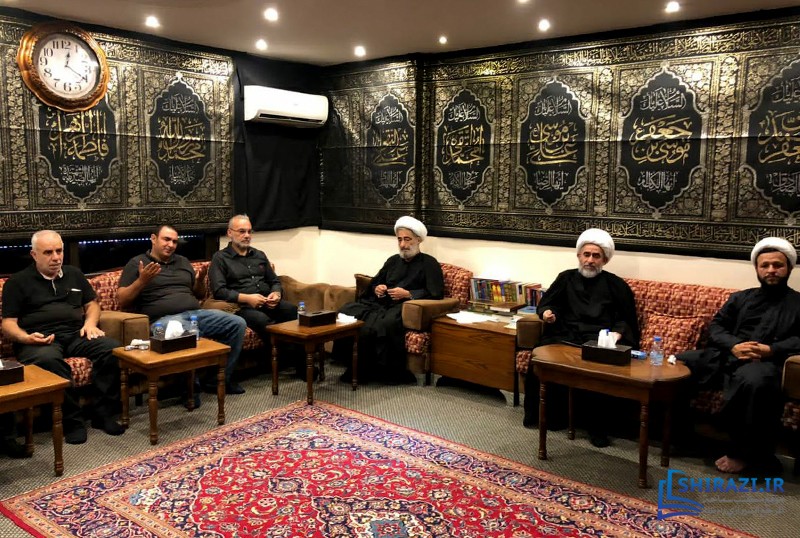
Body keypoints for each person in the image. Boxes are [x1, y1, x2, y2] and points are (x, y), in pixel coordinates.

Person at [677, 237, 800, 475]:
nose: (771, 270)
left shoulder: (798, 303)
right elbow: (717, 327)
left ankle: (743, 453)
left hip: (766, 364)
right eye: (765, 265)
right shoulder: (741, 298)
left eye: (777, 265)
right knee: (680, 363)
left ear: (789, 268)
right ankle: (680, 435)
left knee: (755, 382)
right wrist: (734, 345)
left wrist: (771, 350)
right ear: (757, 268)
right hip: (727, 356)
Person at [1, 230, 124, 444]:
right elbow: (8, 324)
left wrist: (90, 324)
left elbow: (92, 305)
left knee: (111, 349)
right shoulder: (17, 282)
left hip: (76, 334)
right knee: (48, 360)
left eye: (59, 251)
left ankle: (103, 414)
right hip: (40, 340)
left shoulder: (73, 274)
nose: (56, 257)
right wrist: (26, 338)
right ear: (34, 255)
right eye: (48, 252)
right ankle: (72, 422)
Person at [523, 228, 640, 448]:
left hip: (598, 339)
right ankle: (551, 417)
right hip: (565, 335)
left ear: (604, 260)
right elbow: (548, 304)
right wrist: (546, 313)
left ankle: (597, 428)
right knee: (540, 356)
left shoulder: (616, 285)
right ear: (579, 255)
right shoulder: (565, 278)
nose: (590, 260)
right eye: (586, 255)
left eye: (596, 256)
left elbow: (626, 319)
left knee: (600, 367)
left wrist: (616, 334)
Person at [117, 225, 248, 395]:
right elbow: (123, 300)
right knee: (184, 332)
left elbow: (199, 294)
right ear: (153, 239)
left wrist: (200, 281)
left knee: (237, 323)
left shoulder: (183, 262)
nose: (171, 245)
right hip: (162, 321)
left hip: (196, 314)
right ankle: (190, 389)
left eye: (174, 241)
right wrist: (142, 281)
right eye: (166, 239)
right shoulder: (137, 263)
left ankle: (217, 380)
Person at [335, 216, 444, 384]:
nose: (403, 244)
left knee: (382, 325)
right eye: (400, 239)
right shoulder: (393, 260)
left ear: (418, 240)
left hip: (402, 307)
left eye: (407, 239)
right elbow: (375, 282)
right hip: (380, 303)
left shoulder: (429, 263)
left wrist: (408, 294)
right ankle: (349, 361)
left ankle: (377, 370)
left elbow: (436, 293)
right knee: (346, 310)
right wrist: (378, 289)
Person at [209, 215, 302, 374]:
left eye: (249, 231)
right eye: (242, 231)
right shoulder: (220, 258)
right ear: (230, 233)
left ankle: (301, 364)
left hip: (268, 301)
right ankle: (280, 361)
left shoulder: (259, 255)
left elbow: (274, 281)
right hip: (242, 306)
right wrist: (247, 298)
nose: (247, 235)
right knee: (262, 320)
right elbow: (219, 291)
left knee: (293, 311)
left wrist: (276, 293)